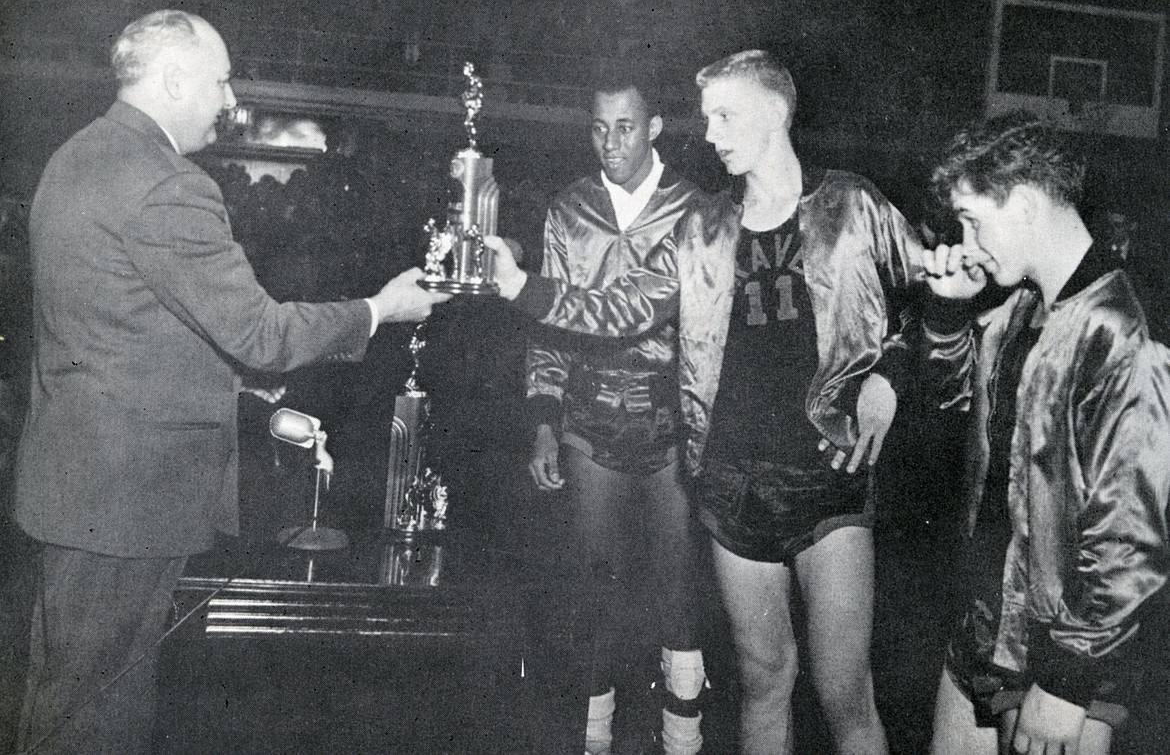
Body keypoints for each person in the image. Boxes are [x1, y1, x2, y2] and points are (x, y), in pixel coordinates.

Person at [13, 9, 449, 754]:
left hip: (77, 484)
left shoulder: (76, 157)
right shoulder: (167, 185)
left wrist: (236, 392)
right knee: (99, 718)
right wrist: (382, 308)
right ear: (176, 78)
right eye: (219, 79)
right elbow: (264, 334)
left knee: (62, 698)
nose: (229, 98)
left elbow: (115, 325)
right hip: (128, 502)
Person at [488, 49, 921, 754]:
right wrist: (520, 287)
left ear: (776, 113)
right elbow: (623, 310)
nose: (711, 134)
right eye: (708, 117)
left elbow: (926, 289)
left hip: (827, 472)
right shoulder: (703, 225)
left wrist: (889, 376)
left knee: (844, 689)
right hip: (730, 479)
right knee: (762, 681)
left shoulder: (850, 204)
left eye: (727, 115)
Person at [921, 111, 1170, 754]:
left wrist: (1065, 683)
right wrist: (948, 318)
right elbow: (955, 428)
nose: (968, 242)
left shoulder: (1122, 334)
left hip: (1060, 658)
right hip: (985, 631)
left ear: (1027, 204)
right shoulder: (1019, 313)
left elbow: (1131, 535)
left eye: (975, 220)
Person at [524, 73, 706, 755]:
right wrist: (542, 419)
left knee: (679, 590)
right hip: (589, 419)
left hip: (673, 422)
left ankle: (683, 740)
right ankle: (593, 741)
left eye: (624, 126)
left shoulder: (696, 209)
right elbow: (549, 327)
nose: (610, 142)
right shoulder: (568, 209)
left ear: (655, 126)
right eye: (598, 128)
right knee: (591, 590)